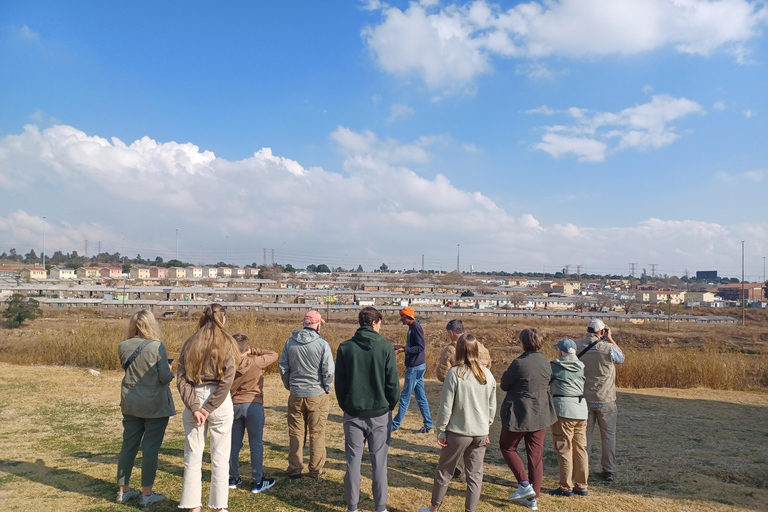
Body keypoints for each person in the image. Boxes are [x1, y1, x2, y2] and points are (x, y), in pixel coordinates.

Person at [419, 334, 496, 512]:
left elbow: (446, 406)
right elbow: (492, 407)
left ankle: (434, 508)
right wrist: (486, 427)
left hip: (458, 432)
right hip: (480, 433)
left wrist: (441, 431)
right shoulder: (488, 374)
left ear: (459, 350)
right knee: (475, 476)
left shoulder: (455, 373)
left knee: (444, 472)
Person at [335, 307, 400, 512]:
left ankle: (352, 507)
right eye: (380, 323)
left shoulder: (345, 348)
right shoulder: (386, 347)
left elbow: (340, 383)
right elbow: (393, 384)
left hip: (353, 412)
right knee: (379, 463)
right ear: (374, 323)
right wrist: (389, 405)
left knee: (353, 462)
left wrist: (345, 404)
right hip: (380, 413)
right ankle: (380, 507)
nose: (380, 327)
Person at [177, 304, 240, 512]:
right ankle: (218, 507)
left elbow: (181, 378)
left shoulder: (190, 342)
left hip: (195, 395)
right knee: (220, 457)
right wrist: (208, 407)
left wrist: (196, 407)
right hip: (219, 402)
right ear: (223, 319)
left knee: (192, 456)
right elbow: (227, 380)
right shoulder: (228, 343)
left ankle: (193, 506)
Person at [116, 309, 175, 507]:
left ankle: (123, 491)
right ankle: (147, 494)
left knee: (128, 446)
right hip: (155, 404)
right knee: (150, 449)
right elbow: (164, 378)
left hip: (131, 401)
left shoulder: (123, 346)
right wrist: (170, 370)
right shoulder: (157, 346)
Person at [500, 328, 557, 511]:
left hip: (519, 412)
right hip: (540, 413)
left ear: (524, 343)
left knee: (507, 447)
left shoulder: (519, 363)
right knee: (535, 456)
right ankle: (533, 497)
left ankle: (524, 485)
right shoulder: (546, 362)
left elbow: (504, 384)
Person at [278, 310, 334, 479]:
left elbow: (283, 367)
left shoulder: (290, 343)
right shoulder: (322, 344)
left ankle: (295, 468)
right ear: (317, 325)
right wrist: (327, 388)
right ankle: (315, 469)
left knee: (295, 432)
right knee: (317, 433)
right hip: (317, 394)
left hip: (296, 393)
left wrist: (290, 385)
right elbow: (329, 371)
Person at [436, 319, 492, 482]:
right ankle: (471, 469)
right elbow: (487, 367)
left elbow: (442, 374)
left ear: (451, 332)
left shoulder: (451, 349)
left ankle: (456, 468)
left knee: (458, 431)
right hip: (480, 397)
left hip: (457, 396)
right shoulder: (481, 347)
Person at [575, 318, 625, 483]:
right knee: (608, 436)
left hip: (585, 399)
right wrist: (610, 339)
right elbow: (621, 358)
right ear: (602, 332)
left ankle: (584, 469)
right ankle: (608, 470)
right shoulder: (608, 348)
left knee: (584, 436)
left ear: (587, 329)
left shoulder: (577, 346)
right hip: (606, 399)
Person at [228, 332, 279, 493]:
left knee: (234, 445)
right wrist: (254, 351)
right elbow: (274, 354)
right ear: (247, 348)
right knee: (256, 444)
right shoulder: (255, 362)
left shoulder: (229, 364)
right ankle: (258, 481)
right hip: (253, 405)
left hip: (235, 404)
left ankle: (233, 477)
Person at [548, 338, 589, 497]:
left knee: (564, 447)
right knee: (581, 448)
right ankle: (582, 485)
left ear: (560, 351)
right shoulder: (581, 366)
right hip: (581, 409)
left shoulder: (555, 366)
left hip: (564, 409)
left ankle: (566, 486)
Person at [392, 306, 433, 433]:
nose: (402, 320)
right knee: (420, 397)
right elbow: (415, 346)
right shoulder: (412, 327)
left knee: (405, 396)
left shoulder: (416, 327)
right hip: (417, 366)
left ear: (408, 317)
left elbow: (420, 347)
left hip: (415, 367)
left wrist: (404, 350)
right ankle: (429, 425)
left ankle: (395, 424)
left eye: (402, 318)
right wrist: (403, 347)